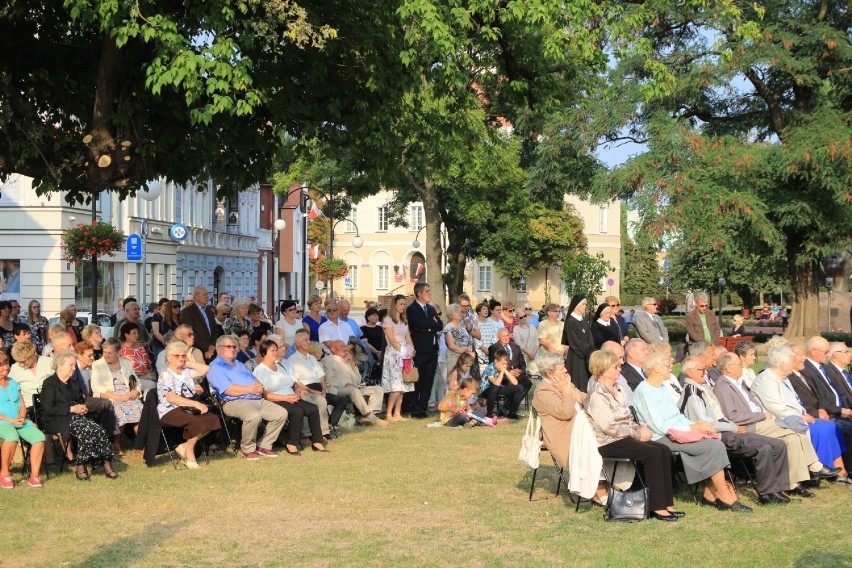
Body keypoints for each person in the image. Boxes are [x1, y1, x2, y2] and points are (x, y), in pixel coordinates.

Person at [634, 351, 749, 512]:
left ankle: (710, 493)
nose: (671, 369)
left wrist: (696, 424)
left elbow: (678, 417)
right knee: (713, 446)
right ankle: (725, 496)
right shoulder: (644, 391)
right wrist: (692, 428)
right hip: (660, 437)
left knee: (713, 439)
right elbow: (658, 425)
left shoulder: (661, 388)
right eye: (668, 366)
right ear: (655, 368)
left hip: (677, 432)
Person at [713, 351, 839, 498]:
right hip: (749, 426)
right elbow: (733, 416)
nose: (743, 367)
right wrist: (762, 415)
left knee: (792, 438)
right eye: (739, 364)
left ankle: (793, 483)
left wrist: (763, 415)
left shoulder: (736, 383)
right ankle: (814, 465)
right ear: (728, 368)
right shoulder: (723, 386)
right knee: (795, 426)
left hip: (761, 421)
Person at [680, 355, 792, 504]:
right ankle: (767, 494)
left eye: (705, 369)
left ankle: (778, 489)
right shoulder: (692, 392)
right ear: (689, 372)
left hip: (728, 430)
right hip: (719, 436)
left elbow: (719, 416)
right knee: (763, 448)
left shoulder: (703, 388)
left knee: (779, 445)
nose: (705, 372)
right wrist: (733, 427)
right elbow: (707, 424)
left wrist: (733, 426)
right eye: (701, 369)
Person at [586, 349, 681, 520]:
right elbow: (609, 427)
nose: (620, 369)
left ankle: (666, 503)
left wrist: (640, 430)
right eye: (615, 367)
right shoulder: (597, 394)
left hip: (625, 437)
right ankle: (656, 506)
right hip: (608, 442)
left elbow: (628, 418)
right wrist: (637, 435)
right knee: (652, 453)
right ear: (604, 369)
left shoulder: (618, 389)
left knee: (663, 450)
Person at [751, 345, 851, 486]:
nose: (794, 363)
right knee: (821, 429)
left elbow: (795, 402)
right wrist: (802, 417)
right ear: (783, 364)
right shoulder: (766, 380)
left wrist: (803, 414)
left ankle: (837, 471)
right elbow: (776, 408)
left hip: (794, 417)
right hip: (780, 420)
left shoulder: (782, 378)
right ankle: (817, 469)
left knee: (829, 427)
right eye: (792, 360)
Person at [41, 349, 119, 481]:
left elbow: (80, 402)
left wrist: (83, 408)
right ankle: (81, 466)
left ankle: (107, 465)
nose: (73, 368)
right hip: (57, 420)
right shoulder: (49, 383)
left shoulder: (74, 384)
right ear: (60, 365)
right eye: (70, 365)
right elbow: (49, 409)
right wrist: (72, 409)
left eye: (74, 365)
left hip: (77, 418)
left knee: (99, 430)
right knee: (86, 430)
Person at [206, 335, 287, 460]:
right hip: (233, 401)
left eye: (234, 346)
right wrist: (250, 389)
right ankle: (247, 448)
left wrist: (258, 386)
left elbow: (253, 379)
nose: (233, 349)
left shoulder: (238, 363)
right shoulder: (215, 367)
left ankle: (263, 445)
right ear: (219, 349)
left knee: (280, 413)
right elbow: (228, 390)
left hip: (255, 398)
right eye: (229, 347)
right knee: (253, 416)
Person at [253, 339, 325, 454]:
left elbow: (292, 382)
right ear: (263, 353)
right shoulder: (260, 371)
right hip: (275, 400)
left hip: (291, 396)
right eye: (272, 351)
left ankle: (317, 441)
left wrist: (297, 392)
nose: (276, 353)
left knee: (312, 408)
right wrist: (286, 398)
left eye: (276, 350)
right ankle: (292, 443)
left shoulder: (280, 366)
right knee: (297, 411)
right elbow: (265, 395)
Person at [157, 341, 219, 469]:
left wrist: (185, 362)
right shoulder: (166, 375)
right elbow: (171, 398)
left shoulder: (186, 372)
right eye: (177, 356)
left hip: (187, 408)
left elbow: (206, 369)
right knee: (196, 422)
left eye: (183, 355)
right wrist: (196, 403)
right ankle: (190, 456)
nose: (181, 358)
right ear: (169, 358)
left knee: (213, 419)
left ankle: (185, 446)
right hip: (170, 410)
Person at [0, 351, 45, 489]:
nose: (5, 368)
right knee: (12, 437)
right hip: (3, 422)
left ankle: (34, 477)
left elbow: (22, 403)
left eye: (6, 364)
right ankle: (5, 474)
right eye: (1, 365)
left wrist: (21, 416)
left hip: (19, 420)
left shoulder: (12, 382)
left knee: (39, 438)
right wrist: (11, 421)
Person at [91, 337, 143, 455]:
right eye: (104, 352)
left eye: (110, 353)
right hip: (110, 397)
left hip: (127, 395)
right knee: (121, 411)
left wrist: (134, 392)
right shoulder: (97, 365)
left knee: (140, 410)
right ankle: (115, 442)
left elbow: (135, 382)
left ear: (118, 353)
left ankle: (141, 442)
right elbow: (97, 388)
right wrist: (119, 398)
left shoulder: (125, 363)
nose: (106, 355)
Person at [288, 329, 343, 440]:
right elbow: (296, 381)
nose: (309, 342)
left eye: (308, 340)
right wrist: (314, 392)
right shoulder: (292, 360)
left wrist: (323, 389)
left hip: (319, 389)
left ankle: (329, 424)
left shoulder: (312, 358)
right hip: (306, 390)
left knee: (341, 400)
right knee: (320, 401)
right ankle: (323, 432)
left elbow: (321, 377)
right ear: (298, 344)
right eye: (305, 340)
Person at [322, 340, 387, 426]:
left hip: (354, 388)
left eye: (345, 346)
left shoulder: (347, 360)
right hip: (338, 389)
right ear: (333, 350)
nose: (345, 348)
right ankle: (371, 418)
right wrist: (345, 385)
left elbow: (358, 380)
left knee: (378, 389)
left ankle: (367, 417)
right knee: (354, 391)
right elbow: (329, 380)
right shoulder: (327, 360)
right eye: (341, 346)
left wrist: (352, 362)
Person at [406, 282, 443, 418]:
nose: (429, 294)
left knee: (429, 380)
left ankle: (423, 408)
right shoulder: (412, 309)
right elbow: (418, 324)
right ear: (419, 293)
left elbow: (439, 325)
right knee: (419, 380)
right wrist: (430, 324)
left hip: (432, 349)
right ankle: (415, 409)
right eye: (427, 291)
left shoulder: (431, 309)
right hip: (420, 349)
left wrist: (429, 325)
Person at [381, 294, 416, 422]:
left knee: (403, 386)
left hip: (405, 353)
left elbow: (408, 338)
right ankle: (389, 414)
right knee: (396, 386)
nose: (403, 306)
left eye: (404, 304)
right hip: (394, 353)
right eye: (400, 304)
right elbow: (391, 339)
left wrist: (411, 350)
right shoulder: (388, 320)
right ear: (394, 305)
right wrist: (402, 351)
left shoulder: (404, 321)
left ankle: (397, 413)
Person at [488, 328, 532, 415]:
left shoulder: (516, 347)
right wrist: (508, 372)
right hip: (503, 375)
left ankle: (508, 407)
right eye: (503, 336)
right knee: (516, 385)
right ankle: (509, 409)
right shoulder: (494, 348)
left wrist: (520, 371)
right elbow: (493, 364)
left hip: (517, 374)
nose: (506, 337)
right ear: (498, 337)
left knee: (527, 382)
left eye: (507, 335)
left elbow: (522, 363)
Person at [561, 295, 593, 393]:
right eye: (583, 304)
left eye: (585, 304)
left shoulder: (583, 320)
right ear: (576, 305)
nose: (585, 306)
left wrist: (591, 350)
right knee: (578, 382)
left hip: (586, 355)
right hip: (577, 356)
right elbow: (573, 341)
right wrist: (585, 351)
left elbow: (589, 336)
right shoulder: (571, 321)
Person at [179, 286, 221, 361]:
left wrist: (213, 346)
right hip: (197, 351)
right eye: (205, 294)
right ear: (196, 297)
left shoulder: (209, 311)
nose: (207, 296)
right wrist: (207, 347)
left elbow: (215, 330)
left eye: (207, 294)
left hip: (212, 352)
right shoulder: (187, 312)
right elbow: (190, 333)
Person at [9, 340, 53, 410]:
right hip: (29, 407)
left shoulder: (49, 362)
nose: (21, 364)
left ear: (32, 355)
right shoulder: (15, 368)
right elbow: (10, 389)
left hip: (52, 404)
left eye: (23, 361)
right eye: (19, 361)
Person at [480, 350, 524, 419]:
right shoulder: (489, 368)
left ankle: (512, 412)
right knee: (495, 388)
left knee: (519, 387)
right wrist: (502, 371)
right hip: (486, 390)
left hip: (497, 389)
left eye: (506, 364)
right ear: (496, 361)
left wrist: (505, 371)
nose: (505, 366)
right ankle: (489, 414)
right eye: (503, 364)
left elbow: (515, 382)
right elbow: (496, 383)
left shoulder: (503, 369)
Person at [118, 322, 156, 394]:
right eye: (134, 333)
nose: (137, 335)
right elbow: (121, 371)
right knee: (152, 385)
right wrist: (140, 373)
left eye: (137, 333)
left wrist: (148, 370)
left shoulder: (141, 348)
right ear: (126, 335)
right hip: (132, 379)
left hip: (146, 376)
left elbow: (149, 364)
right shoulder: (121, 351)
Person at [443, 302, 475, 380]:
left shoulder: (463, 326)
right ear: (451, 315)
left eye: (460, 311)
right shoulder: (448, 328)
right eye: (457, 312)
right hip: (454, 357)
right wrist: (466, 351)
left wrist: (470, 347)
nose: (460, 313)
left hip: (466, 357)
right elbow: (451, 346)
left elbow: (469, 340)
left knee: (465, 381)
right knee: (454, 381)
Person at [512, 307, 539, 375]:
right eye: (521, 317)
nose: (524, 318)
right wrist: (529, 353)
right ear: (517, 319)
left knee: (536, 376)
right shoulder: (516, 329)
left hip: (534, 355)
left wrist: (533, 353)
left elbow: (537, 341)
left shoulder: (532, 327)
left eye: (525, 316)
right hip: (523, 357)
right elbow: (518, 343)